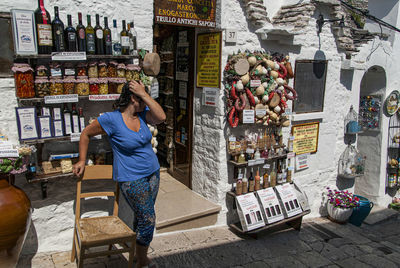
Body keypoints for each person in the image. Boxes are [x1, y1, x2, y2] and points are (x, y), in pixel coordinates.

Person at [73, 80, 166, 268]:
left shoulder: (142, 116)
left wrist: (146, 95)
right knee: (148, 220)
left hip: (153, 173)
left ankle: (136, 254)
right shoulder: (111, 119)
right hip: (131, 178)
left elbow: (161, 117)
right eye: (142, 98)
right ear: (133, 98)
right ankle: (142, 261)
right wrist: (82, 160)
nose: (146, 102)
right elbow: (85, 134)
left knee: (142, 217)